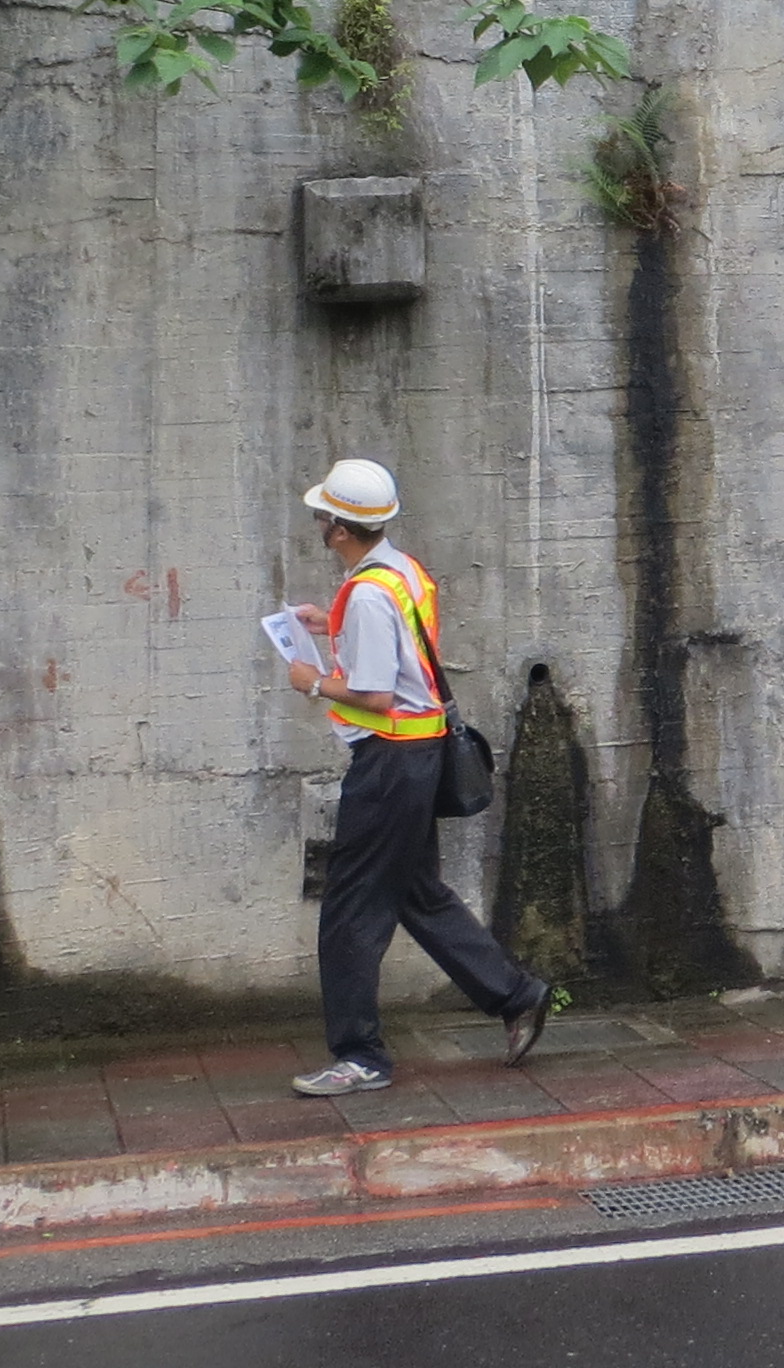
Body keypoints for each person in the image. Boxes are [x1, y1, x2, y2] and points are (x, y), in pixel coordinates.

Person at [286, 459, 551, 1096]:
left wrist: (313, 681)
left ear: (341, 529)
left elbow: (376, 696)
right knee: (413, 891)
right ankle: (516, 996)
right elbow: (404, 647)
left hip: (390, 762)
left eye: (324, 519)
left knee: (350, 910)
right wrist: (335, 625)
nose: (321, 527)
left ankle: (360, 1057)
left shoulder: (369, 593)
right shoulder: (398, 572)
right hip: (418, 757)